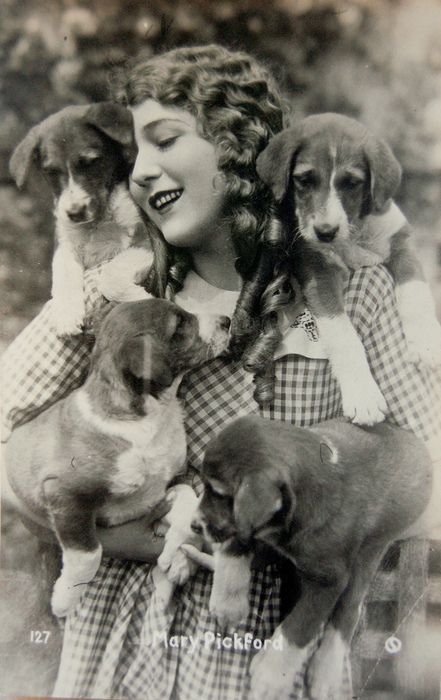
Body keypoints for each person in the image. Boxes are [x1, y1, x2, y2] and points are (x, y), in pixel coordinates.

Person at [2, 44, 440, 700]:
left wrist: (281, 527)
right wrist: (120, 533)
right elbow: (7, 437)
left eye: (164, 140)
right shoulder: (115, 296)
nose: (140, 170)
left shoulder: (356, 292)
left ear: (240, 150)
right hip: (123, 642)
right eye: (132, 152)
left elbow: (428, 476)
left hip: (276, 641)